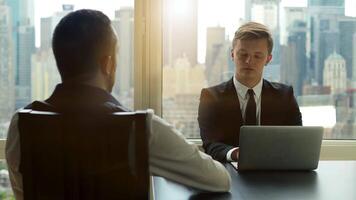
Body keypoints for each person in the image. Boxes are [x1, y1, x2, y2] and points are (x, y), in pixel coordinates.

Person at [6, 9, 231, 199]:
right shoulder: (139, 128)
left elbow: (23, 193)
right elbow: (219, 179)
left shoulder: (20, 125)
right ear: (108, 64)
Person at [198, 22, 302, 163]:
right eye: (243, 54)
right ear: (232, 54)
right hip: (229, 176)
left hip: (276, 174)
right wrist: (236, 153)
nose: (248, 61)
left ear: (268, 59)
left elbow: (297, 140)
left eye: (257, 56)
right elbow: (211, 144)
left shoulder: (285, 96)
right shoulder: (211, 97)